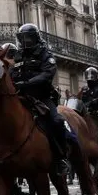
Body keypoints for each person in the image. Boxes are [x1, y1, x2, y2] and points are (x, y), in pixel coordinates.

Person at [10, 23, 70, 176]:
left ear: (35, 38)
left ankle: (60, 158)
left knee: (56, 121)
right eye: (22, 39)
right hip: (20, 97)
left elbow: (47, 75)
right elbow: (11, 72)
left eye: (27, 38)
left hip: (41, 97)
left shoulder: (45, 54)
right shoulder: (18, 55)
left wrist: (27, 83)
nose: (25, 42)